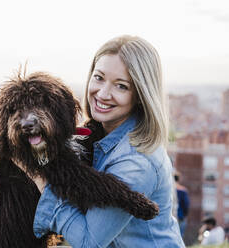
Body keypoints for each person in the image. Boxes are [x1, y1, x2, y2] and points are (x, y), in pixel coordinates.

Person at [17, 35, 185, 247]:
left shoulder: (136, 162)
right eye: (99, 77)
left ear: (141, 95)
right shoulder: (101, 133)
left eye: (121, 86)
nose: (103, 93)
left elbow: (88, 242)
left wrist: (41, 178)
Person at [174, 171, 190, 237]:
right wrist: (185, 214)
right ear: (179, 179)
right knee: (179, 236)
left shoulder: (167, 189)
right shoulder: (182, 190)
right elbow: (186, 204)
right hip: (180, 216)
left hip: (169, 216)